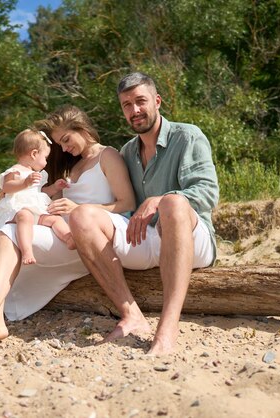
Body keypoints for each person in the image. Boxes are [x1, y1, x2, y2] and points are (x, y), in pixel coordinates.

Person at [68, 72, 219, 355]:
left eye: (140, 101)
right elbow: (122, 205)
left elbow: (208, 194)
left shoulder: (188, 137)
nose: (134, 110)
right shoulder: (126, 152)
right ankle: (132, 316)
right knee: (81, 216)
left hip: (192, 238)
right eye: (127, 104)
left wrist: (160, 199)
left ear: (157, 101)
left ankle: (168, 327)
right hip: (147, 237)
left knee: (172, 204)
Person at [0, 105, 135, 349]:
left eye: (66, 140)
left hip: (87, 237)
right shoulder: (73, 166)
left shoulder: (108, 156)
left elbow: (127, 203)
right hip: (59, 229)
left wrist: (77, 209)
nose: (63, 148)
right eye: (59, 144)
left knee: (9, 230)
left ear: (82, 128)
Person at [0, 128, 71, 265]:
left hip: (35, 210)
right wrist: (24, 182)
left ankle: (69, 238)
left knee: (55, 219)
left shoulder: (37, 174)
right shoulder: (15, 170)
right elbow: (7, 187)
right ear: (34, 154)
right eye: (45, 158)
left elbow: (40, 193)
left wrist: (55, 187)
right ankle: (27, 251)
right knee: (25, 216)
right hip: (16, 211)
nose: (47, 162)